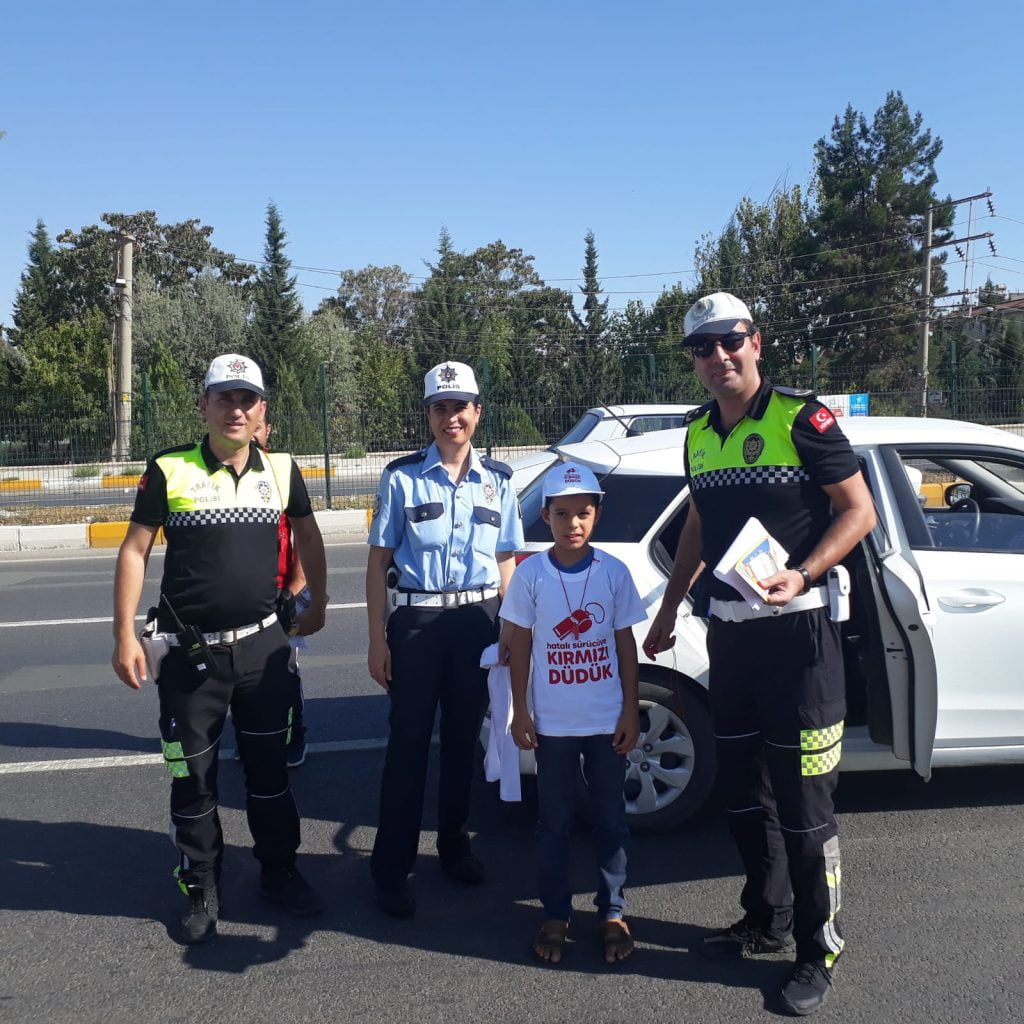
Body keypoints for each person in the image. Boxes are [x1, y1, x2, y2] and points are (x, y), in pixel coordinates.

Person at [643, 293, 876, 1016]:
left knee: (805, 810)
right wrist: (671, 606)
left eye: (729, 342)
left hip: (801, 640)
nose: (717, 358)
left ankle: (819, 948)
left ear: (757, 342)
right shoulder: (698, 437)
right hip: (731, 639)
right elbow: (697, 526)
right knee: (745, 797)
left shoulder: (800, 419)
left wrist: (802, 574)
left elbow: (858, 510)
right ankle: (766, 920)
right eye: (702, 349)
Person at [111, 353, 330, 945]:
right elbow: (135, 550)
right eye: (224, 398)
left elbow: (307, 533)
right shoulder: (168, 469)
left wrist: (319, 598)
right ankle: (201, 885)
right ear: (203, 405)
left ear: (262, 409)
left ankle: (279, 872)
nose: (237, 409)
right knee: (193, 781)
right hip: (190, 659)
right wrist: (124, 634)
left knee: (270, 776)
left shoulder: (282, 469)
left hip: (264, 651)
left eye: (247, 399)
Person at [366, 360, 524, 918]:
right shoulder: (401, 477)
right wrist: (376, 639)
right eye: (440, 407)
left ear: (477, 413)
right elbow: (379, 560)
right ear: (428, 415)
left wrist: (510, 627)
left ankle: (454, 849)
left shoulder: (499, 480)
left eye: (460, 407)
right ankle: (391, 869)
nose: (450, 417)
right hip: (417, 625)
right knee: (406, 749)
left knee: (461, 745)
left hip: (477, 623)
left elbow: (506, 557)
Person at [502, 462, 645, 966]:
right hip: (554, 725)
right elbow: (519, 647)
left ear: (597, 515)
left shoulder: (613, 572)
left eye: (583, 513)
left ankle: (612, 911)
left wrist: (630, 708)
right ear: (545, 516)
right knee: (554, 823)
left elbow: (626, 645)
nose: (573, 524)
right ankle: (556, 913)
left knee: (610, 820)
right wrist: (522, 712)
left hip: (606, 720)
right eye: (562, 514)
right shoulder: (531, 574)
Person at [256, 413, 311, 769]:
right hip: (243, 598)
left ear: (267, 430)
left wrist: (294, 590)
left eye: (258, 427)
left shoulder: (281, 472)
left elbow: (306, 538)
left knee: (283, 673)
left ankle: (293, 737)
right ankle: (254, 737)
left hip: (281, 594)